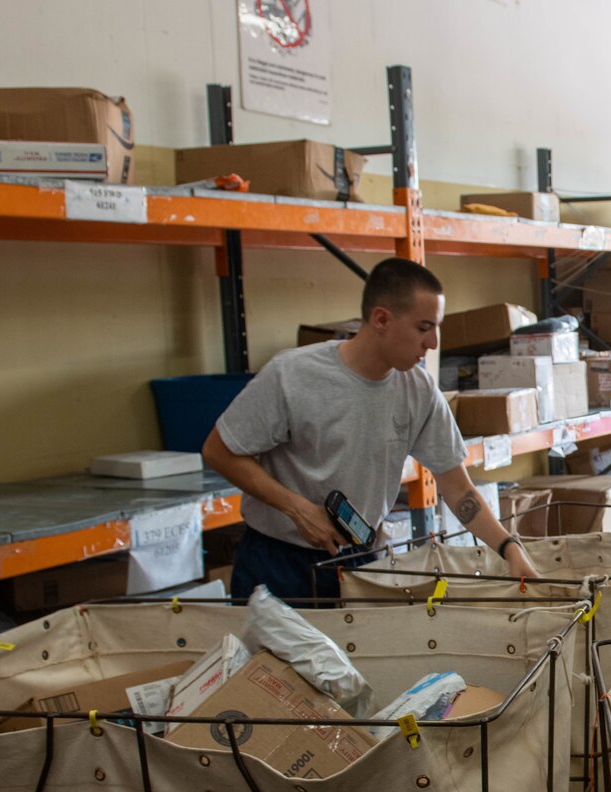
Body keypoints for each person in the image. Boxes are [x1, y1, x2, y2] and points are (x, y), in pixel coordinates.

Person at [203, 257, 538, 600]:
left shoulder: (418, 391)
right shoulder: (292, 375)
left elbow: (457, 488)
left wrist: (509, 549)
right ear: (381, 319)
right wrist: (298, 509)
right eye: (424, 328)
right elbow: (218, 451)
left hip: (357, 559)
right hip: (276, 564)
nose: (434, 343)